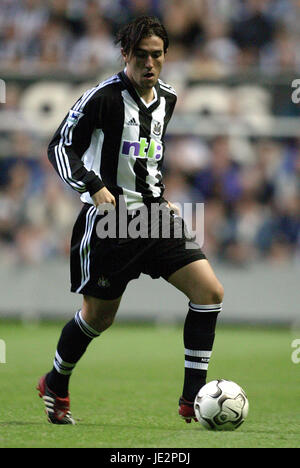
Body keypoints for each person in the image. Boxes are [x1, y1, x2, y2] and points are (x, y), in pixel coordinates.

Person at [37, 16, 224, 425]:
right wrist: (92, 184)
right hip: (110, 224)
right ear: (125, 54)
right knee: (98, 317)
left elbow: (146, 156)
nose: (150, 63)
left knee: (209, 292)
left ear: (165, 56)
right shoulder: (101, 98)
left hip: (155, 219)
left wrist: (162, 198)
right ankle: (56, 380)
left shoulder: (169, 100)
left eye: (157, 55)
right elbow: (60, 147)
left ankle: (193, 398)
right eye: (141, 55)